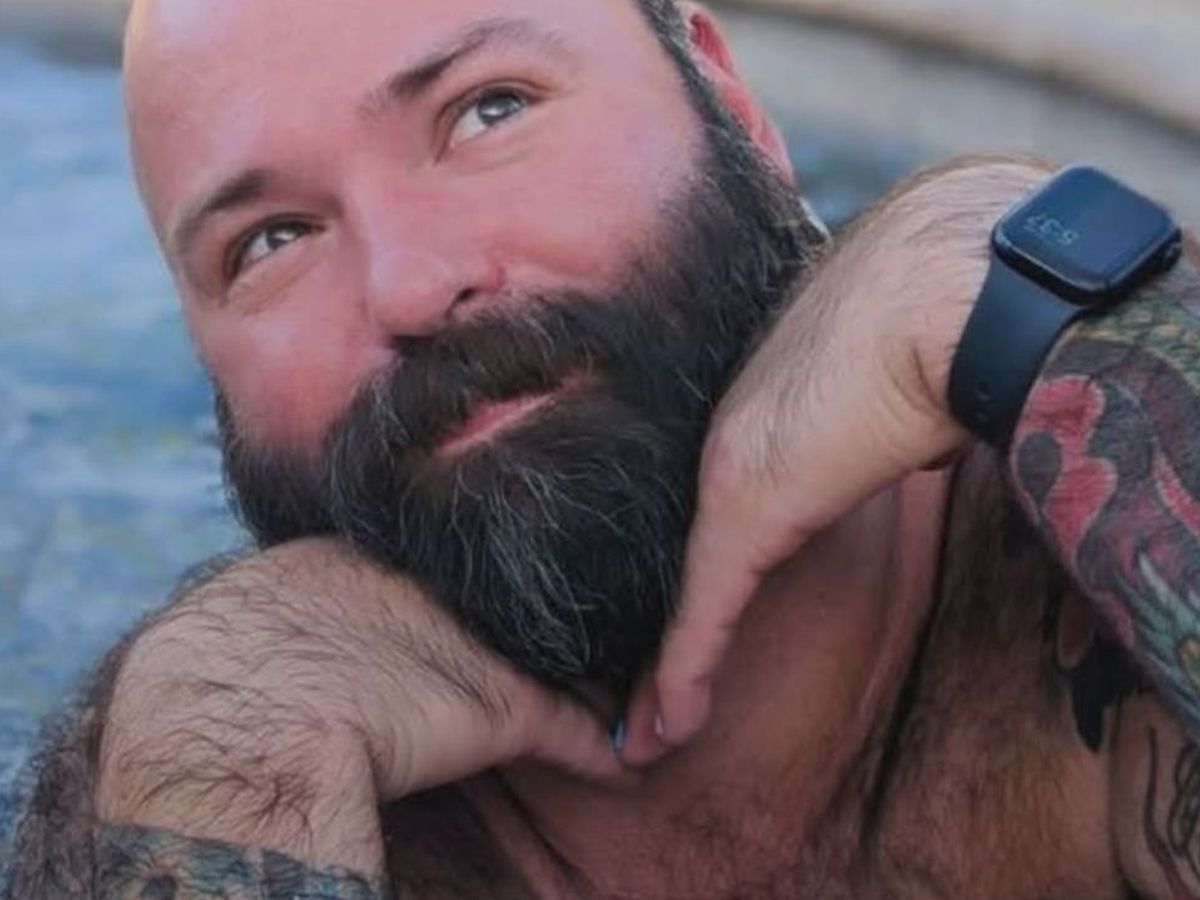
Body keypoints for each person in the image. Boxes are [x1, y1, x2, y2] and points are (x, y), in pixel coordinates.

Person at [5, 0, 1200, 897]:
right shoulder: (243, 759)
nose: (413, 285)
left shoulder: (1056, 591)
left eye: (489, 110)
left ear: (731, 105)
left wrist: (1027, 305)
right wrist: (216, 745)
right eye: (270, 241)